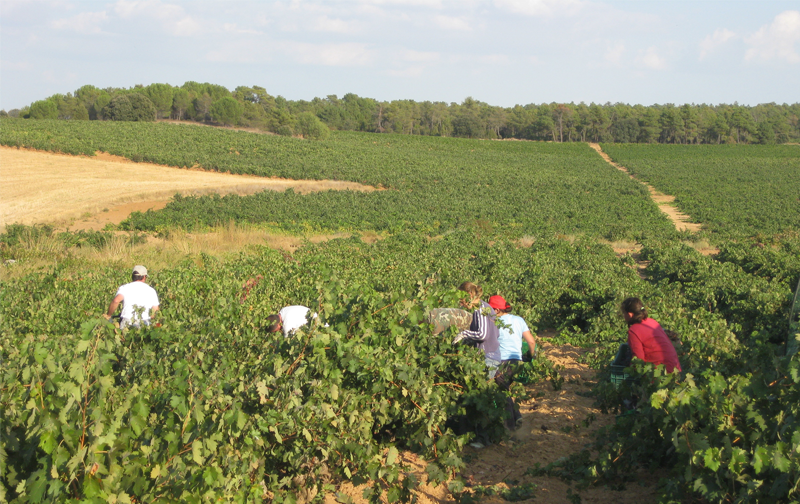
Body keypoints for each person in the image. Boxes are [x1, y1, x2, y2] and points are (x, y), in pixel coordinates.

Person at [488, 295, 536, 429]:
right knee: (506, 390)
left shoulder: (493, 323)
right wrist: (531, 357)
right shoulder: (519, 320)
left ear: (497, 310)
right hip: (516, 361)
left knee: (503, 393)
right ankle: (518, 415)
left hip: (502, 361)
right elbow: (531, 342)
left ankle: (511, 428)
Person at [619, 297, 682, 373]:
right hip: (676, 370)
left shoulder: (634, 330)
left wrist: (630, 370)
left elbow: (639, 360)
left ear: (629, 315)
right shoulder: (652, 322)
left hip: (658, 374)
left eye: (624, 313)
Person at [452, 282, 502, 378]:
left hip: (488, 357)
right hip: (491, 355)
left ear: (469, 294)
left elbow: (483, 334)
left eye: (462, 301)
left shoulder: (481, 308)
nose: (461, 304)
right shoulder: (484, 307)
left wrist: (463, 334)